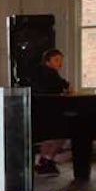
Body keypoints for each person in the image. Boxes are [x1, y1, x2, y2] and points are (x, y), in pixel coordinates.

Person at [30, 48, 71, 176]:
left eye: (61, 60)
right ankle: (47, 160)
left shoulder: (44, 73)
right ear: (47, 61)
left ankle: (44, 161)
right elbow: (63, 86)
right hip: (47, 111)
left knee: (49, 137)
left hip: (42, 110)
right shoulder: (49, 74)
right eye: (56, 60)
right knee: (61, 134)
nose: (60, 63)